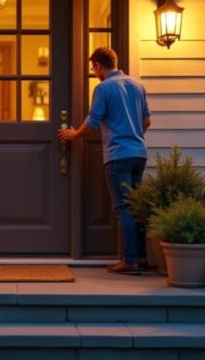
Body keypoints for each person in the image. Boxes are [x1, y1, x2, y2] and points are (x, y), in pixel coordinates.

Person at [58, 47, 151, 274]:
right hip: (139, 153)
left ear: (99, 66)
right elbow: (147, 121)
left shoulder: (104, 88)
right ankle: (141, 256)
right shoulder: (138, 86)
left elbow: (91, 123)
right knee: (136, 207)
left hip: (118, 155)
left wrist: (73, 135)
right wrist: (133, 135)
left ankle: (129, 261)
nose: (94, 72)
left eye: (93, 68)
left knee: (123, 208)